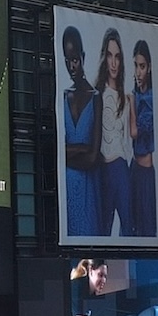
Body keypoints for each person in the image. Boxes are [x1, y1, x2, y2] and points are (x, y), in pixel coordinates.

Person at [61, 26, 103, 236]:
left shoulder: (95, 97)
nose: (72, 66)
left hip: (88, 191)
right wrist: (81, 148)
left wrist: (66, 154)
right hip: (66, 193)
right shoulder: (63, 96)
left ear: (83, 57)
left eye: (75, 60)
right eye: (67, 60)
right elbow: (57, 152)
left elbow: (93, 158)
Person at [95, 28, 132, 237]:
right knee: (103, 229)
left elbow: (128, 138)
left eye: (117, 57)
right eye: (110, 56)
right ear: (104, 58)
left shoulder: (126, 98)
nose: (114, 63)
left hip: (122, 168)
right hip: (104, 169)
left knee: (127, 227)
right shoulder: (97, 94)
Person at [129, 40, 156, 237]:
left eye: (142, 66)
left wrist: (131, 103)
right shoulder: (136, 93)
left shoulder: (151, 99)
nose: (138, 72)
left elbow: (135, 132)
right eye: (136, 66)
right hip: (134, 168)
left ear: (149, 67)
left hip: (146, 173)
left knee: (146, 229)